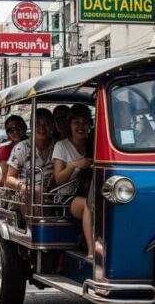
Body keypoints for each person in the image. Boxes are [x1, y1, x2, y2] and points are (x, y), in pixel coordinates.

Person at [52, 104, 94, 258]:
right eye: (76, 122)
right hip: (68, 198)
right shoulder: (61, 146)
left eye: (85, 122)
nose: (81, 126)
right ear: (70, 125)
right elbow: (58, 180)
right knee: (89, 205)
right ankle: (91, 250)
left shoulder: (94, 143)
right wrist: (74, 165)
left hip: (93, 191)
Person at [6, 108, 56, 213]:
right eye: (37, 124)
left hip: (55, 194)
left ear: (52, 125)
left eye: (45, 124)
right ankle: (35, 227)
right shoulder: (21, 148)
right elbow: (9, 178)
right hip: (27, 194)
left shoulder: (59, 146)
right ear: (32, 126)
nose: (42, 128)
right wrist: (22, 186)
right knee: (36, 191)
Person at [0, 115, 28, 187]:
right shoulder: (6, 150)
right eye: (10, 130)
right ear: (7, 133)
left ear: (24, 128)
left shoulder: (35, 143)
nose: (15, 132)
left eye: (18, 128)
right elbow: (6, 179)